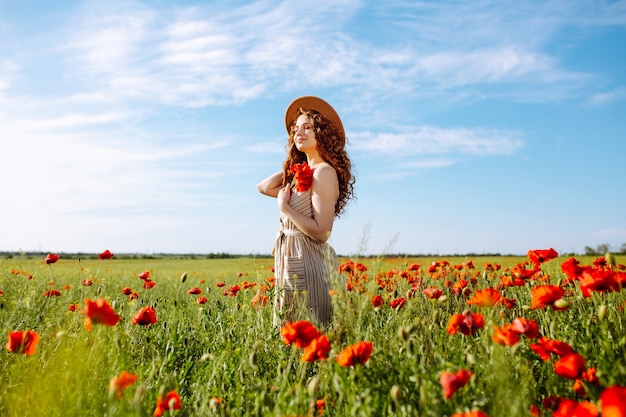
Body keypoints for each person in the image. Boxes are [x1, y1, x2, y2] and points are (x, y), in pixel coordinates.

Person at [257, 96, 355, 326]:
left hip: (308, 258)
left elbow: (322, 232)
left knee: (307, 326)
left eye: (308, 127)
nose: (299, 133)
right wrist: (295, 164)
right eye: (296, 129)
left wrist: (285, 208)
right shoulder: (305, 172)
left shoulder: (323, 173)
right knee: (290, 327)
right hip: (291, 257)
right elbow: (263, 187)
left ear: (322, 134)